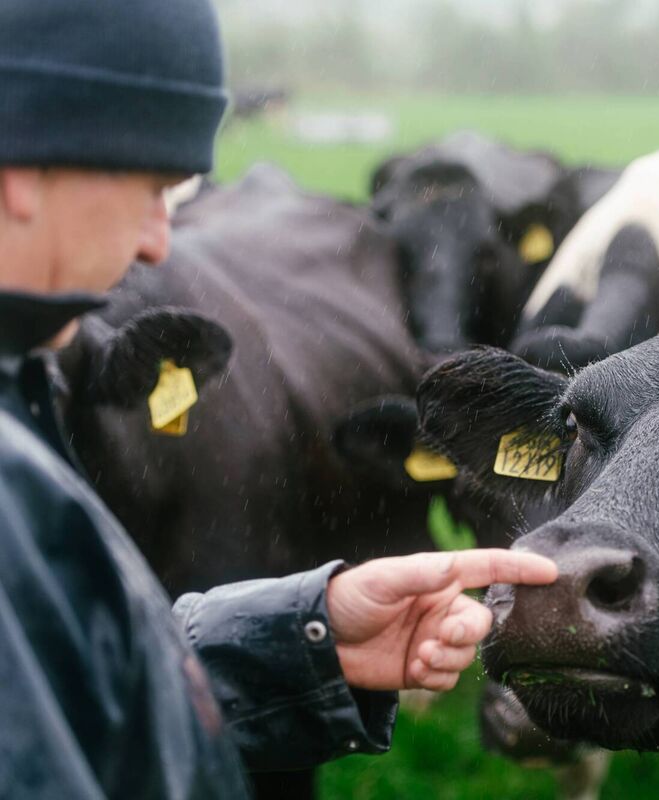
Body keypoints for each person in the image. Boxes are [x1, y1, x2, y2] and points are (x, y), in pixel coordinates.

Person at [0, 0, 557, 796]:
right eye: (152, 185)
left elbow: (68, 674)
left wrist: (299, 644)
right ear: (29, 158)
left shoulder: (25, 384)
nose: (159, 238)